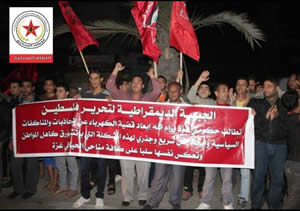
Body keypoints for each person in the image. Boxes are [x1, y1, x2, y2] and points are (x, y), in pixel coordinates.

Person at [106, 62, 161, 207]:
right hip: (126, 141)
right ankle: (127, 196)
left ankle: (142, 195)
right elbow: (109, 87)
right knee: (127, 170)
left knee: (143, 170)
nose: (135, 84)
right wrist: (115, 70)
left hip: (143, 141)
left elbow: (158, 90)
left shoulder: (149, 98)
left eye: (138, 82)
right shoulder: (122, 96)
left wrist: (152, 76)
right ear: (130, 85)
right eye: (133, 82)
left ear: (143, 86)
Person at [143, 82, 187, 210]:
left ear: (181, 91)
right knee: (158, 177)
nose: (173, 93)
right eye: (170, 91)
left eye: (175, 91)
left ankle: (175, 201)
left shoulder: (188, 108)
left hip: (180, 149)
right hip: (163, 148)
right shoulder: (161, 107)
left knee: (177, 178)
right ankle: (152, 202)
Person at [73, 69, 111, 209]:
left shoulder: (108, 95)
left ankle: (100, 196)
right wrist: (76, 100)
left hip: (101, 140)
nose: (94, 81)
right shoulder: (86, 95)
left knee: (101, 169)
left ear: (101, 80)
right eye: (91, 78)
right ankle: (85, 195)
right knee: (83, 169)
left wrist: (111, 103)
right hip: (87, 140)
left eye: (96, 78)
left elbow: (115, 113)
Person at [248, 77, 288, 209]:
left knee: (277, 180)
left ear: (277, 88)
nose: (265, 89)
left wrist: (278, 116)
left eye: (269, 86)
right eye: (264, 86)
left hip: (280, 146)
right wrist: (265, 118)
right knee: (259, 178)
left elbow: (289, 127)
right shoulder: (256, 102)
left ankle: (274, 205)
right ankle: (256, 205)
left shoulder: (285, 104)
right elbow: (251, 124)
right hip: (261, 144)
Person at [197, 82, 234, 209]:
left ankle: (227, 203)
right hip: (211, 148)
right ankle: (205, 202)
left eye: (227, 90)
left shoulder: (233, 107)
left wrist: (250, 111)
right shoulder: (210, 105)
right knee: (209, 177)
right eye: (223, 90)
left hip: (227, 150)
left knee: (227, 178)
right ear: (216, 93)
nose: (226, 92)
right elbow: (191, 97)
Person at [182, 70, 215, 201]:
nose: (203, 90)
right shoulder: (193, 99)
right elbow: (190, 93)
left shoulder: (213, 103)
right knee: (188, 166)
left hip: (206, 140)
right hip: (192, 138)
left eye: (206, 88)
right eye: (201, 88)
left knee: (203, 167)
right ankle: (187, 189)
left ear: (210, 92)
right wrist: (200, 79)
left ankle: (201, 189)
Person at [8, 79, 40, 200]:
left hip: (33, 138)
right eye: (23, 87)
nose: (26, 89)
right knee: (15, 164)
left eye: (28, 87)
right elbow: (13, 121)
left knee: (32, 165)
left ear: (33, 88)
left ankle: (30, 189)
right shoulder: (16, 101)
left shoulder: (39, 101)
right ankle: (18, 189)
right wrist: (11, 138)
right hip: (18, 137)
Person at [53, 82, 79, 199]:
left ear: (67, 93)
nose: (58, 93)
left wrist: (80, 98)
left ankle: (73, 188)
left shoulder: (72, 104)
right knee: (60, 164)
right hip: (57, 139)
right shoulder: (51, 106)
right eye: (57, 91)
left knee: (72, 165)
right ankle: (63, 185)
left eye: (60, 91)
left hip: (70, 140)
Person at [229, 77, 251, 208]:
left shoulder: (253, 101)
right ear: (236, 87)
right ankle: (226, 193)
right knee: (228, 170)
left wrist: (249, 107)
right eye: (239, 84)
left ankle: (243, 197)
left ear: (247, 87)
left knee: (245, 171)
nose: (241, 86)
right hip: (231, 140)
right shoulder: (230, 100)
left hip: (247, 140)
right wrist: (231, 103)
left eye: (244, 84)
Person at [281, 89, 300, 209]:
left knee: (294, 197)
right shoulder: (296, 120)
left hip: (290, 163)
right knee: (293, 198)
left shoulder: (287, 119)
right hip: (297, 165)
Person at [38, 78, 58, 192]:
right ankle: (51, 180)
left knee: (56, 158)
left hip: (55, 132)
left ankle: (55, 181)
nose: (49, 86)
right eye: (47, 84)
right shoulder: (40, 98)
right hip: (44, 131)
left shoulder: (59, 97)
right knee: (47, 158)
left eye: (51, 84)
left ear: (54, 86)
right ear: (44, 87)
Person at [0, 94, 11, 194]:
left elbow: (6, 125)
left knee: (3, 160)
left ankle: (5, 177)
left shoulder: (3, 105)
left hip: (2, 138)